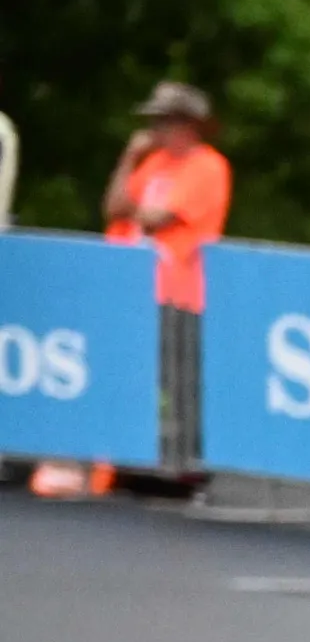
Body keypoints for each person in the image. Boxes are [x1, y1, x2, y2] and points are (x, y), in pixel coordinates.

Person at [36, 81, 229, 499]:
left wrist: (133, 209)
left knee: (174, 379)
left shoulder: (207, 166)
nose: (155, 130)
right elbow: (113, 206)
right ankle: (119, 461)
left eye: (164, 122)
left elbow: (156, 215)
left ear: (187, 125)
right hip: (129, 286)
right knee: (123, 373)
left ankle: (181, 467)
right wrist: (129, 157)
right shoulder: (153, 163)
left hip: (175, 288)